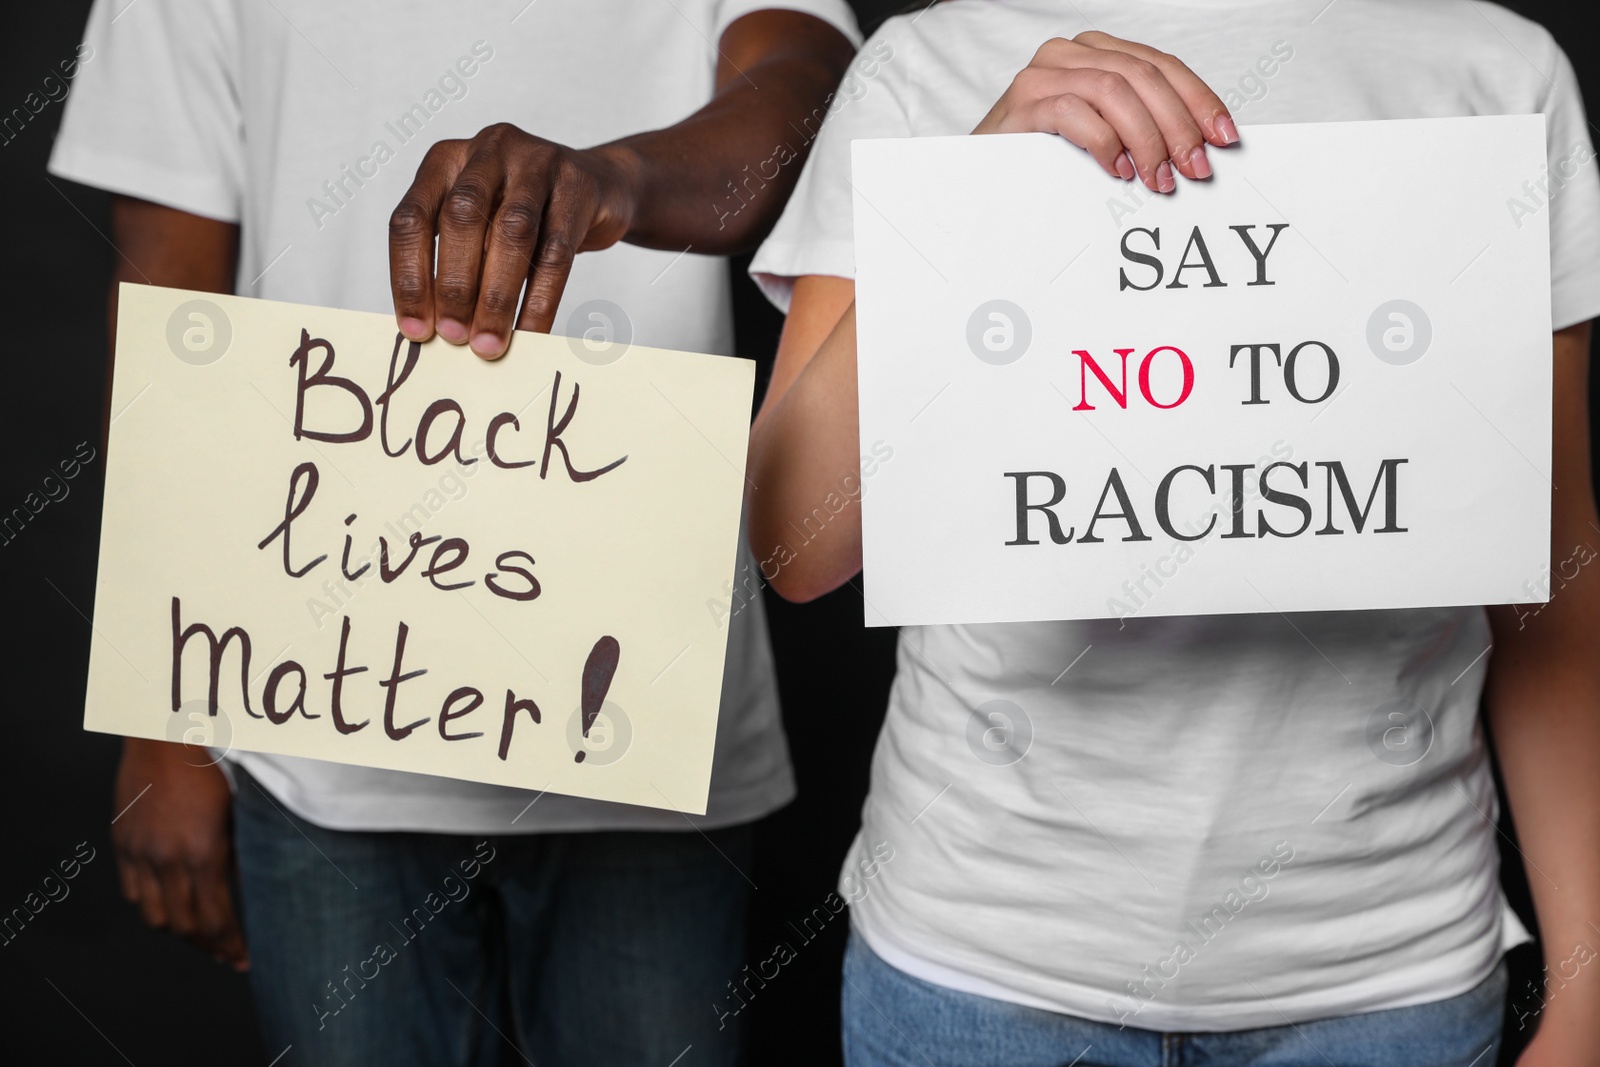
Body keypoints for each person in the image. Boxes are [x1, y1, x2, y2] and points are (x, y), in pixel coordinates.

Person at [747, 2, 1600, 1064]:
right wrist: (978, 198)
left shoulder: (1496, 68)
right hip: (979, 973)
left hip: (1385, 981)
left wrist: (1586, 988)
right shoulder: (926, 62)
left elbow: (1549, 574)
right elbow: (796, 544)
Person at [49, 1, 860, 1064]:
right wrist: (163, 721)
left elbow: (808, 83)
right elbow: (167, 285)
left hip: (646, 707)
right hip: (310, 711)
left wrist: (616, 178)